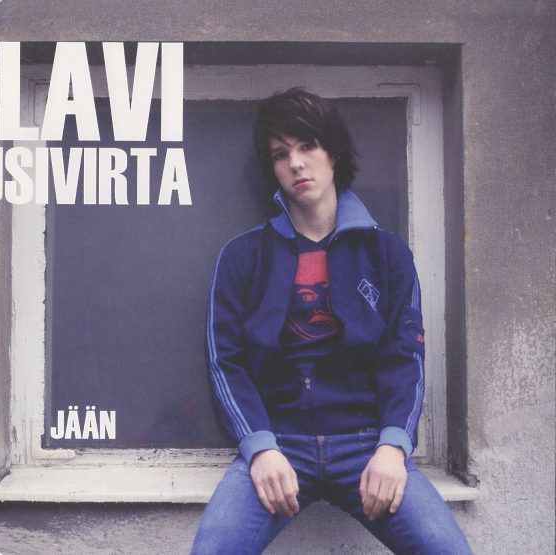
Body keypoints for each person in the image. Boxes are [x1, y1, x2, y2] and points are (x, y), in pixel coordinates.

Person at [191, 88, 472, 555]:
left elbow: (406, 357)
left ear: (333, 152)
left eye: (308, 146)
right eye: (280, 154)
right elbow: (226, 361)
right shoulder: (243, 256)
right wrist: (259, 448)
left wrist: (393, 447)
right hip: (278, 446)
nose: (296, 163)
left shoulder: (386, 253)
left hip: (365, 445)